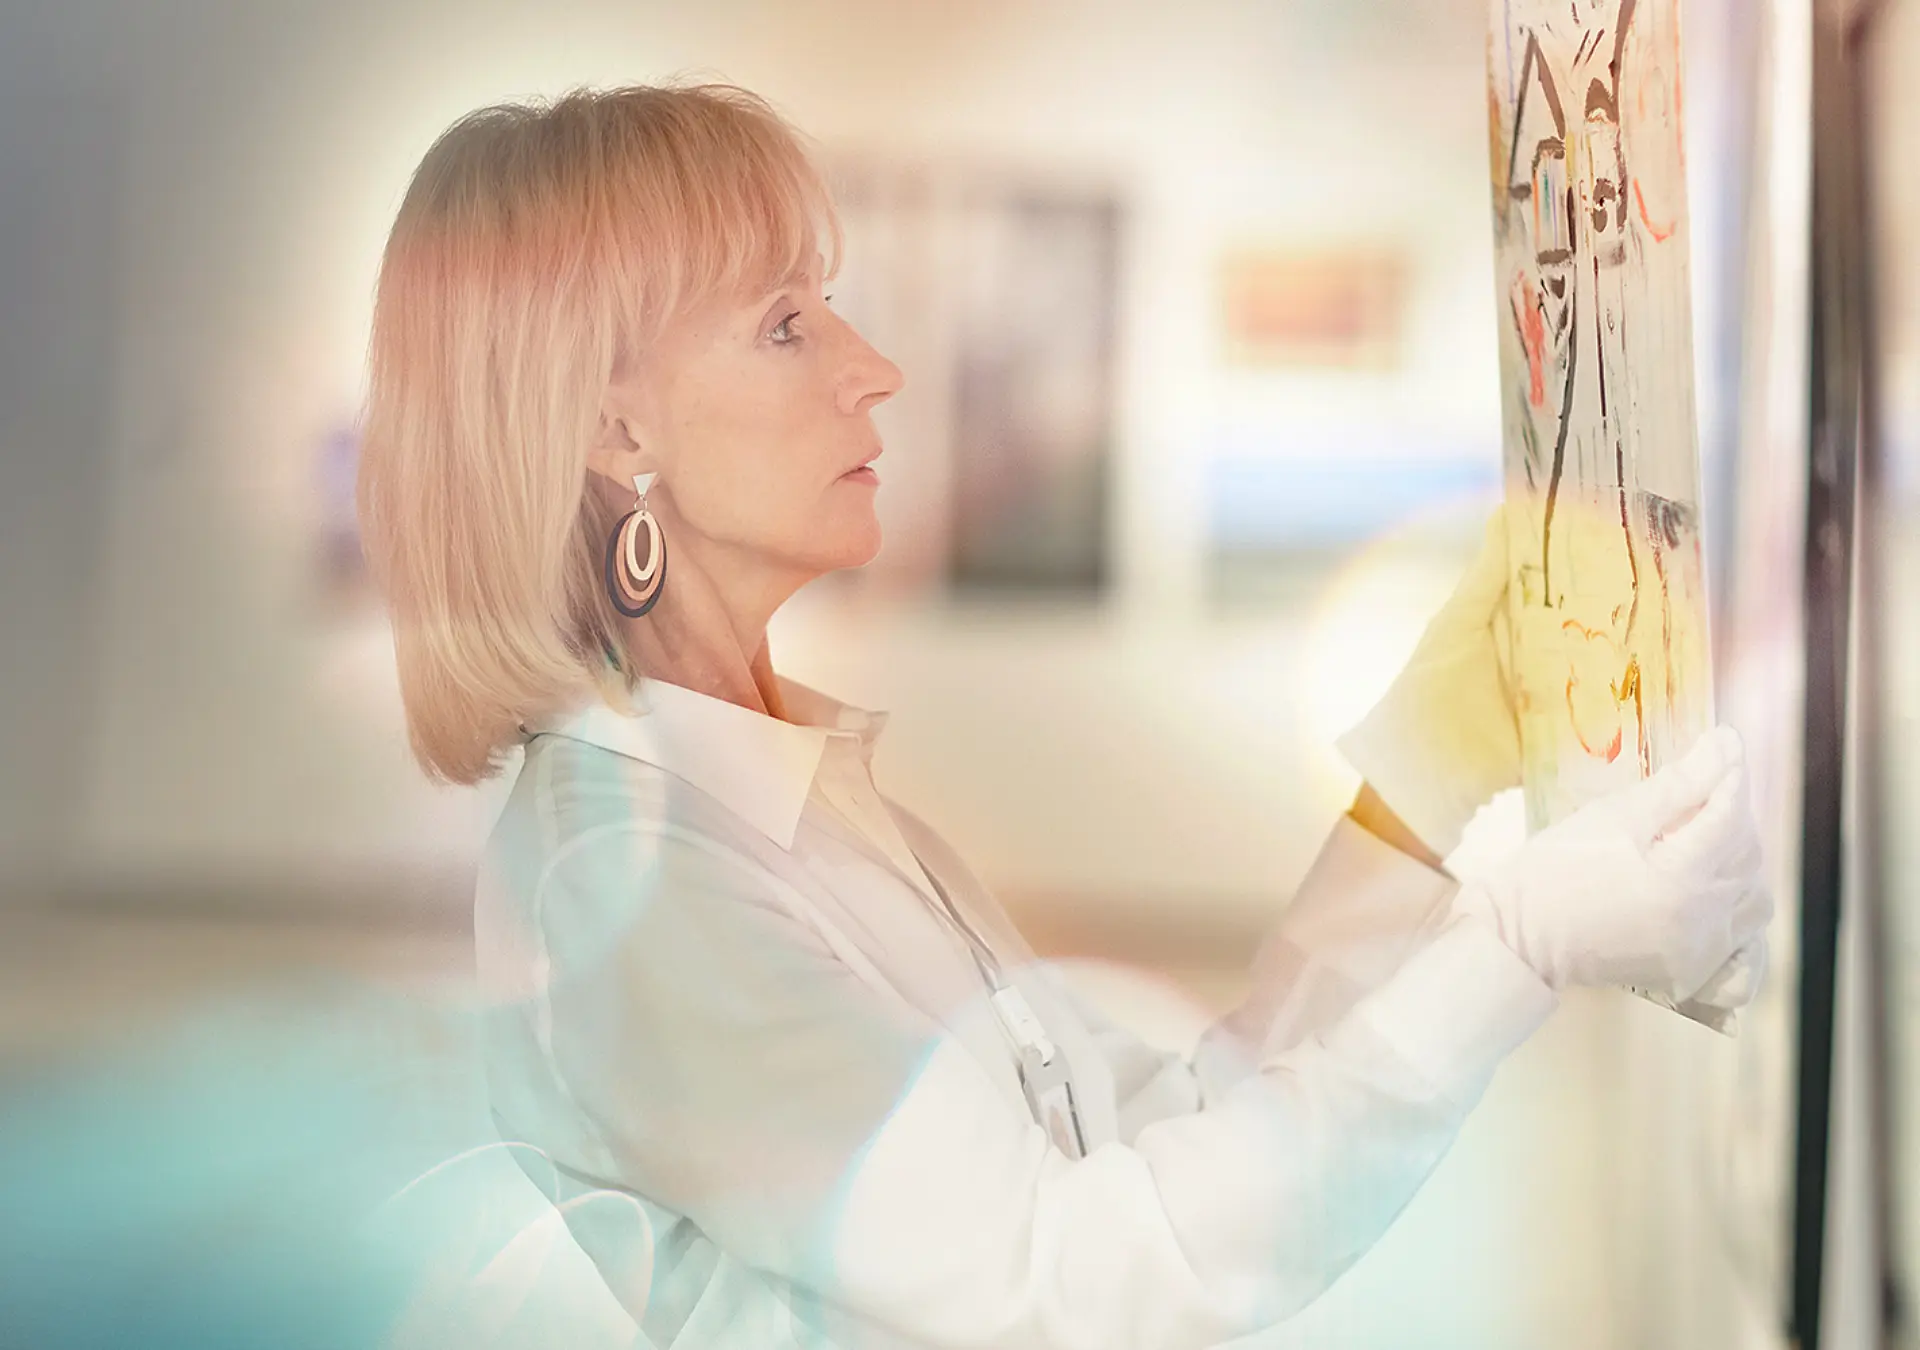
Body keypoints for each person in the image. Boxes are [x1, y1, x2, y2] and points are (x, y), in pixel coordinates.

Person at [355, 81, 1771, 1349]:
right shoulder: (628, 879)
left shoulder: (788, 800)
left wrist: (1421, 775)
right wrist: (1516, 943)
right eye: (785, 323)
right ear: (614, 433)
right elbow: (1082, 1284)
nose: (874, 365)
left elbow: (1171, 1127)